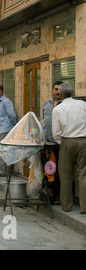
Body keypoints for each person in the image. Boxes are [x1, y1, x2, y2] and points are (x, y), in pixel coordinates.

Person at [52, 83, 86, 214]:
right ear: (72, 92)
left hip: (67, 141)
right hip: (83, 140)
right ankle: (85, 207)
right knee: (83, 173)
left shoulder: (58, 109)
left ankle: (67, 205)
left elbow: (56, 132)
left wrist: (62, 142)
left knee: (65, 174)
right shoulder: (83, 105)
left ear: (59, 94)